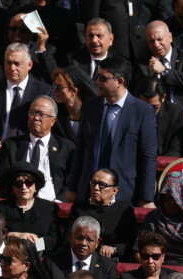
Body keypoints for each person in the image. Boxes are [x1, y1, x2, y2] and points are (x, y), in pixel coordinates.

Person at [65, 56, 158, 207]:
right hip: (89, 191)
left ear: (119, 82)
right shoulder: (90, 106)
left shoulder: (142, 112)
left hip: (124, 193)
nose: (97, 82)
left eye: (103, 78)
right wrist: (73, 187)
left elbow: (148, 157)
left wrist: (146, 198)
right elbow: (81, 149)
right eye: (97, 77)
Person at [0, 96, 75, 204]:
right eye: (33, 113)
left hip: (53, 204)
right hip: (19, 203)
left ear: (53, 121)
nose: (36, 118)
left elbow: (71, 181)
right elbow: (4, 178)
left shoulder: (66, 147)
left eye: (41, 114)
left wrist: (59, 202)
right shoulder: (12, 145)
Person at [0, 43, 52, 146]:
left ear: (29, 65)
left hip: (27, 149)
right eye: (8, 63)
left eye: (17, 64)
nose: (12, 68)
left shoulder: (44, 92)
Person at [69, 169, 140, 261]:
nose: (96, 187)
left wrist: (113, 249)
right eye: (93, 183)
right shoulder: (79, 208)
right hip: (84, 257)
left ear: (114, 190)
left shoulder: (125, 209)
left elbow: (132, 241)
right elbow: (69, 237)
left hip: (115, 258)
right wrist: (98, 247)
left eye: (102, 185)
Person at [0, 164, 61, 254]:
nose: (24, 187)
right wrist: (16, 236)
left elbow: (54, 239)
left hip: (40, 260)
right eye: (18, 183)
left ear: (36, 186)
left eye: (29, 182)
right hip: (6, 258)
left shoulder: (49, 208)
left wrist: (34, 244)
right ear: (12, 187)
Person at [45, 217, 119, 279]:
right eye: (79, 238)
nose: (83, 243)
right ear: (70, 237)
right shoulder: (51, 262)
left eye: (89, 240)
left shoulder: (107, 267)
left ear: (97, 242)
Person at [133, 21, 183, 106]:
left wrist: (164, 71)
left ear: (170, 37)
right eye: (151, 41)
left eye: (160, 39)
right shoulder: (143, 64)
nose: (156, 45)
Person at [134, 76, 183, 158]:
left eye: (155, 107)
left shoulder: (175, 114)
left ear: (163, 98)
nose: (149, 112)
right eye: (144, 106)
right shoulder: (130, 112)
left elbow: (175, 150)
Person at [51, 68, 89, 142]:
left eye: (59, 87)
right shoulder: (57, 114)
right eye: (54, 85)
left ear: (74, 91)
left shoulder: (93, 113)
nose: (54, 90)